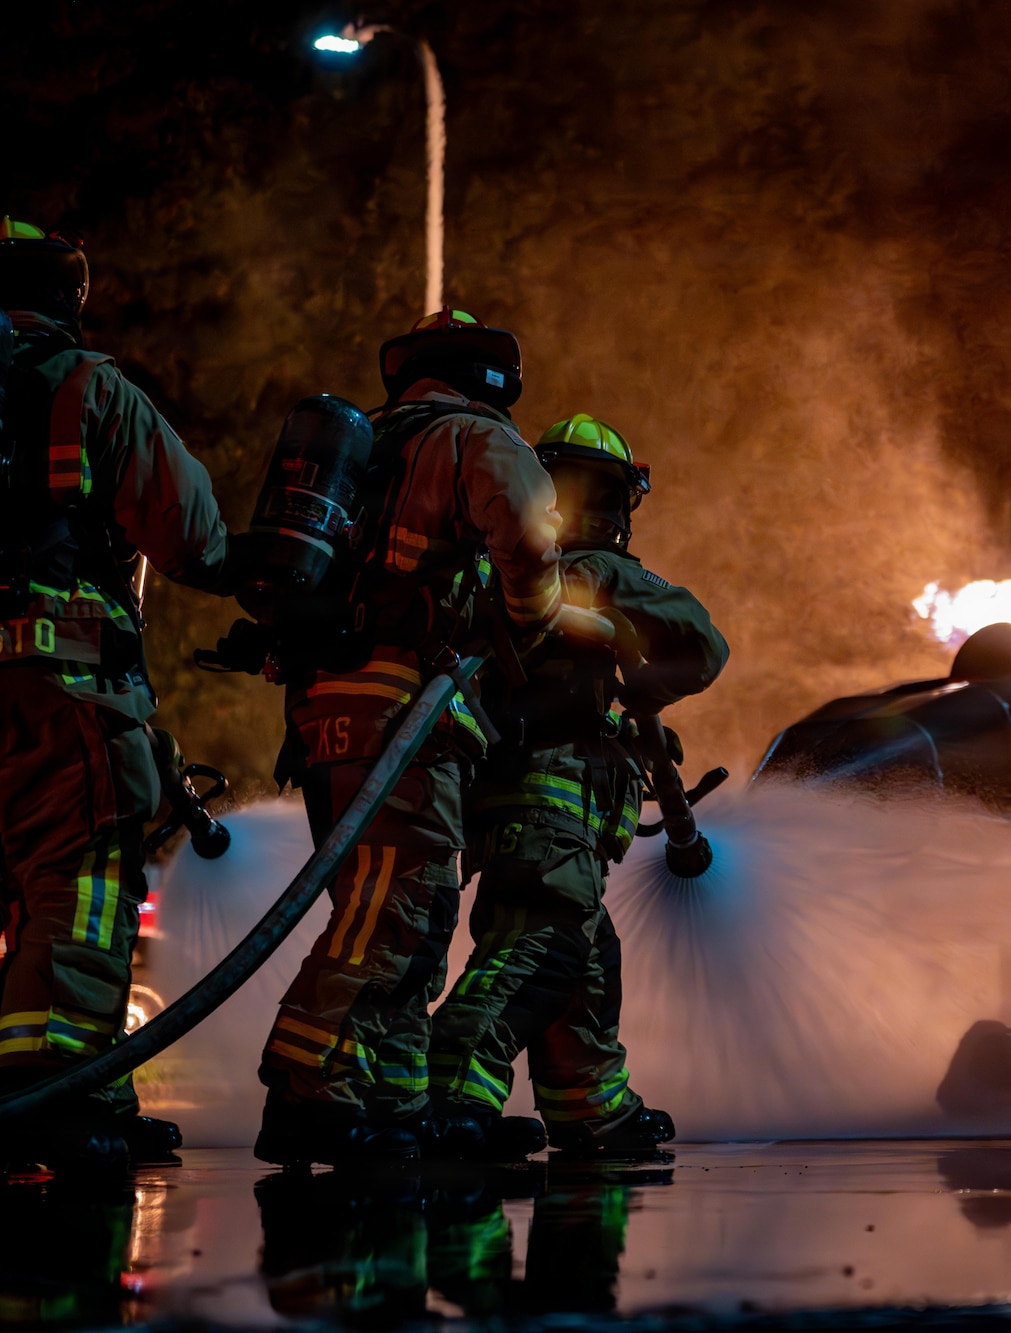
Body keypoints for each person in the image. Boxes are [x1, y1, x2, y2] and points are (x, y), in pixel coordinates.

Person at [253, 310, 562, 1167]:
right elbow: (533, 542)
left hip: (326, 713)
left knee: (412, 913)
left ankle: (391, 1100)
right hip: (403, 712)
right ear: (490, 377)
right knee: (390, 912)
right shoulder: (473, 439)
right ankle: (307, 1090)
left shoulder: (359, 453)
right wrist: (531, 627)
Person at [428, 412, 726, 1158]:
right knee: (540, 946)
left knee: (588, 953)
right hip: (552, 805)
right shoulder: (601, 571)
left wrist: (621, 714)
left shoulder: (504, 581)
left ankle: (591, 1106)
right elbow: (703, 641)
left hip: (501, 801)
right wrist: (648, 687)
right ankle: (452, 1092)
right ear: (617, 503)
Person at [0, 217, 230, 1169]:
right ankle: (53, 1089)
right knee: (81, 879)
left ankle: (84, 1082)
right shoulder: (89, 387)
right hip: (60, 682)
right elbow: (196, 538)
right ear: (66, 294)